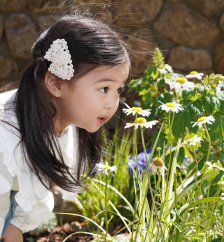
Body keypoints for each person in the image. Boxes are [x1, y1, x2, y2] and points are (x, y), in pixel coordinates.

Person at [0, 14, 130, 242]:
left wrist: (15, 227)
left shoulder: (62, 122)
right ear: (56, 83)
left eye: (118, 90)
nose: (112, 104)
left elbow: (13, 220)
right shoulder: (6, 135)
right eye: (104, 88)